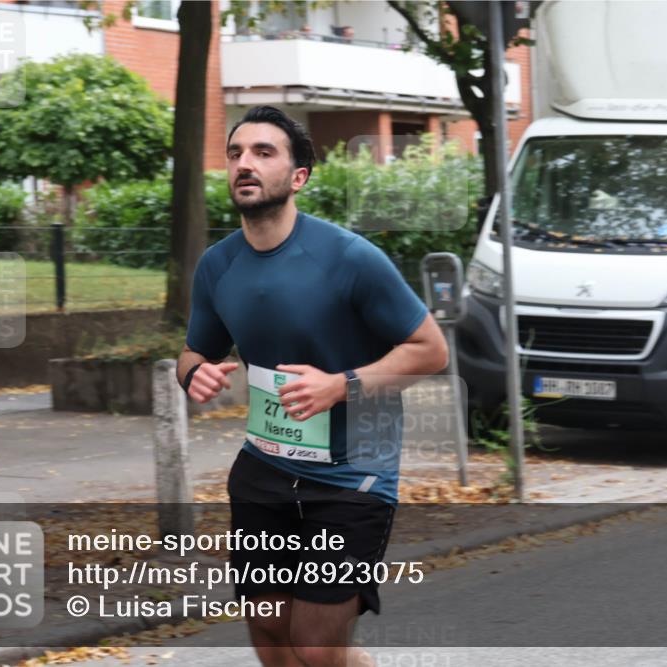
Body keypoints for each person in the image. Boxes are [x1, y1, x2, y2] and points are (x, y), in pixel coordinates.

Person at [176, 105, 449, 667]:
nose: (244, 164)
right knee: (271, 631)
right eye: (235, 153)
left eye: (263, 152)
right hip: (265, 468)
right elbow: (194, 353)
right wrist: (192, 374)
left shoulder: (350, 258)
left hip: (352, 476)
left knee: (316, 645)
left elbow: (430, 350)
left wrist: (340, 386)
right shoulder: (217, 266)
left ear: (298, 176)